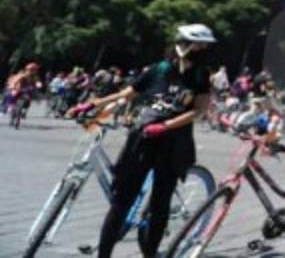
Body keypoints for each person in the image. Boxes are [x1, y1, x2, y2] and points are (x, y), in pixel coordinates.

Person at [74, 24, 215, 258]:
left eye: (204, 46)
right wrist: (93, 104)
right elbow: (127, 94)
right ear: (184, 44)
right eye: (198, 45)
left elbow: (199, 111)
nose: (201, 49)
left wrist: (166, 126)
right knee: (121, 202)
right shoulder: (159, 69)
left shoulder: (201, 74)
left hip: (173, 145)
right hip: (142, 139)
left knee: (160, 205)